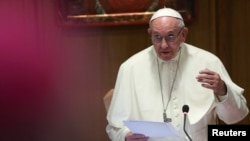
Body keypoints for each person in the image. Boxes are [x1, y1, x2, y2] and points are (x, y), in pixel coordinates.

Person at [105, 8, 249, 141]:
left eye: (170, 37)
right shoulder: (130, 68)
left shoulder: (208, 61)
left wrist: (222, 90)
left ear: (184, 34)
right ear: (150, 34)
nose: (163, 45)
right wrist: (125, 136)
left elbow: (236, 117)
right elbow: (114, 127)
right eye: (157, 37)